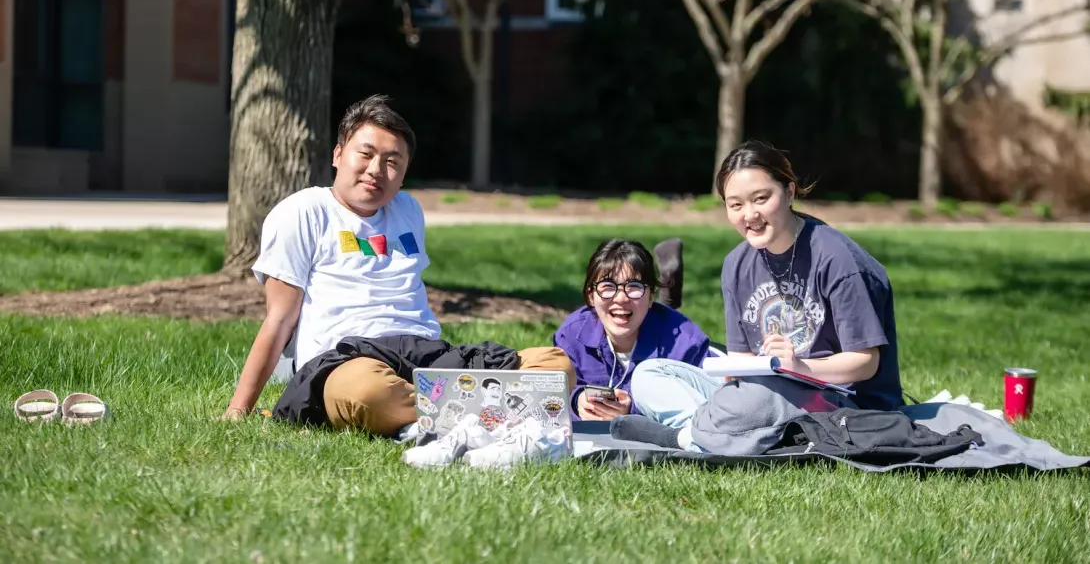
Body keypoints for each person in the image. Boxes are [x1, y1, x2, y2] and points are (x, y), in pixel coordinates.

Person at [220, 95, 574, 435]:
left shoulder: (407, 210)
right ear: (338, 154)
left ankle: (450, 414)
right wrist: (239, 408)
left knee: (556, 368)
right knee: (367, 394)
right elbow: (279, 319)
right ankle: (490, 413)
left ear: (404, 173)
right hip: (348, 358)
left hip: (425, 356)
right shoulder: (303, 211)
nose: (377, 170)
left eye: (392, 162)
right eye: (366, 154)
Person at [625, 140, 902, 452]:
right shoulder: (736, 264)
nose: (750, 215)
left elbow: (865, 362)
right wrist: (733, 378)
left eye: (761, 198)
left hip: (841, 399)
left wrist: (798, 367)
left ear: (790, 193)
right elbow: (743, 358)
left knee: (761, 397)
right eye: (736, 205)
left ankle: (694, 435)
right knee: (649, 374)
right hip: (766, 388)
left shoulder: (837, 259)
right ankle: (713, 427)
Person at [553, 239, 711, 422]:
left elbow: (705, 407)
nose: (620, 298)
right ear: (590, 296)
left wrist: (633, 410)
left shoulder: (687, 343)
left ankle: (670, 293)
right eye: (607, 287)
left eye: (634, 287)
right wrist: (576, 402)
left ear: (651, 296)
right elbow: (556, 394)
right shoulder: (572, 335)